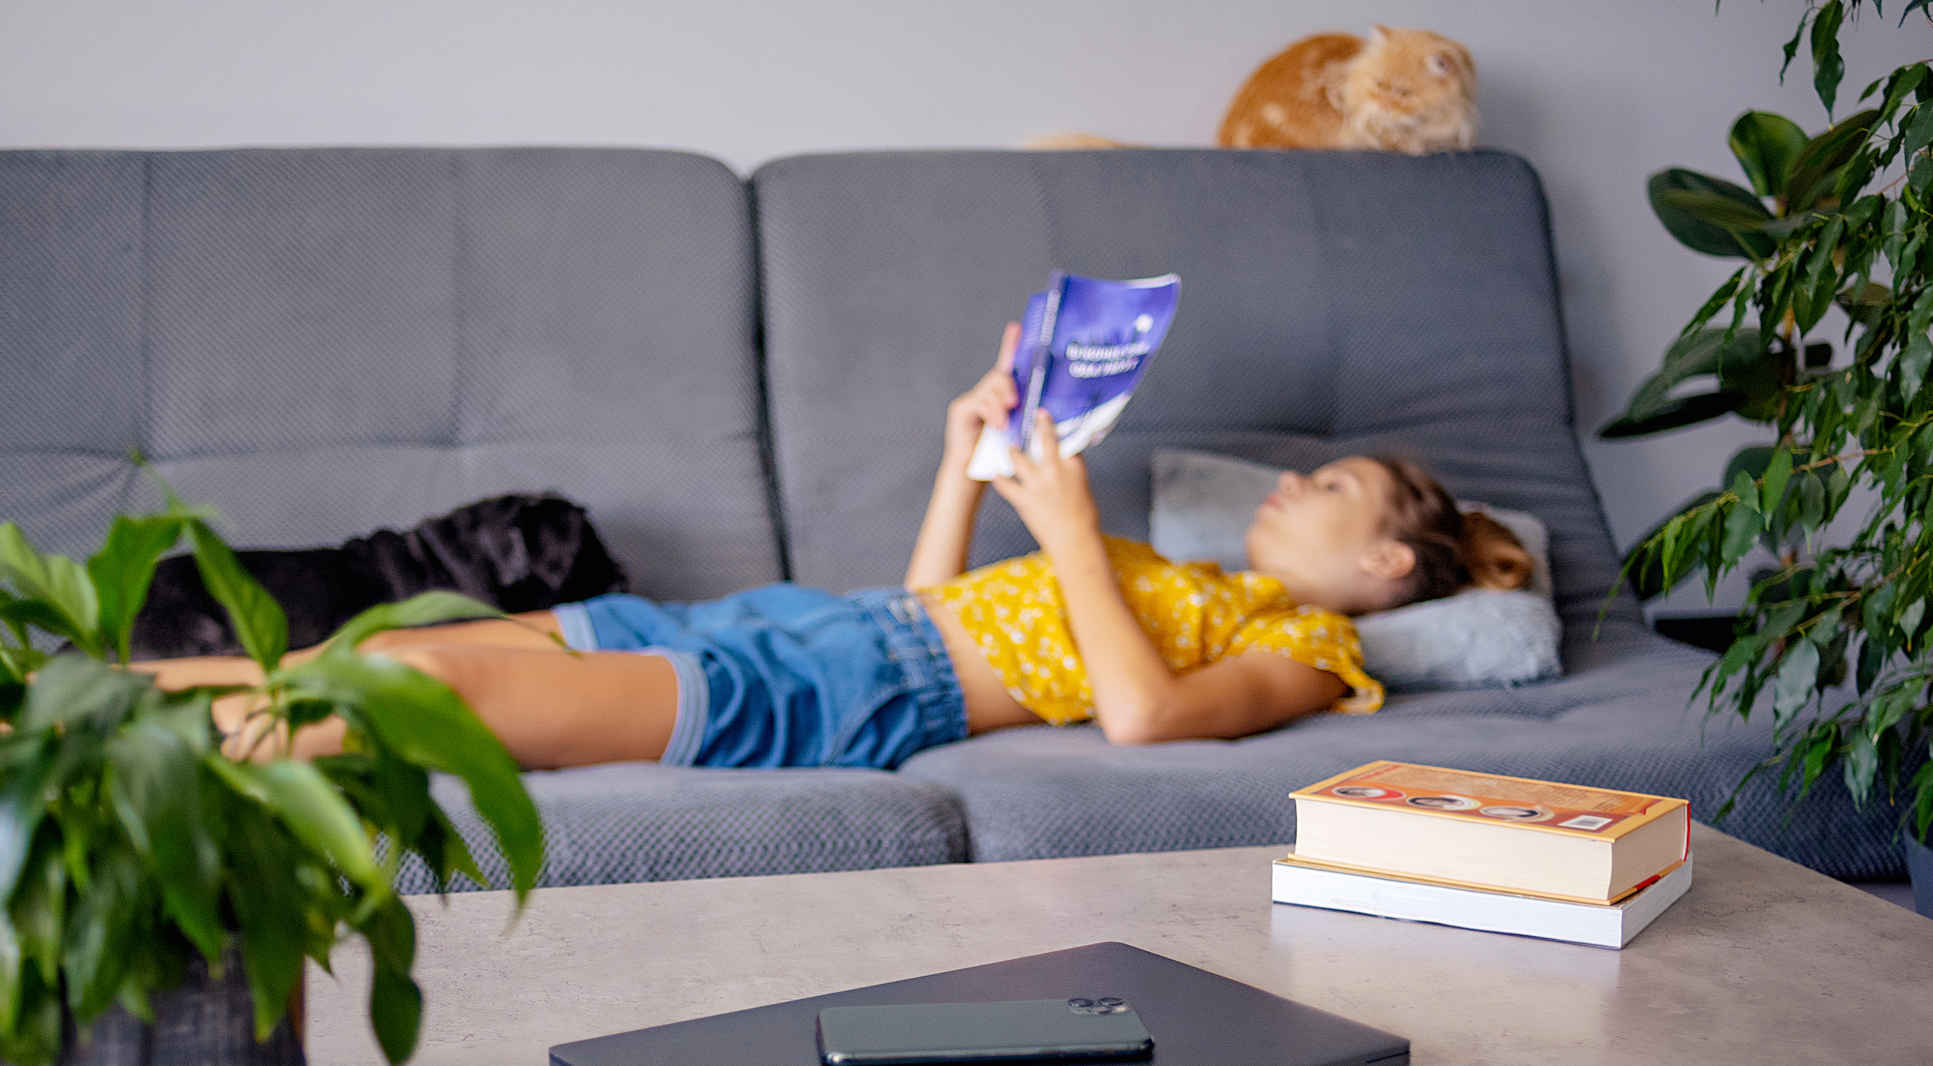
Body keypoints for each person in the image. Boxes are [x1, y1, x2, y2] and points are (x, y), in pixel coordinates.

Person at [147, 324, 1532, 768]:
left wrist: (1075, 536)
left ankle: (98, 771)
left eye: (1333, 484)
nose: (1293, 481)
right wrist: (961, 467)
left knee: (429, 702)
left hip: (846, 691)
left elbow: (1143, 717)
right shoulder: (1197, 581)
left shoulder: (1308, 643)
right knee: (382, 648)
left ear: (1390, 563)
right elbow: (936, 603)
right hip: (812, 623)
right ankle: (36, 713)